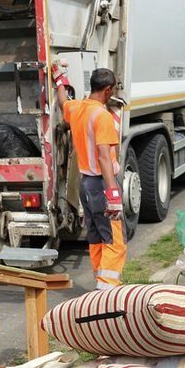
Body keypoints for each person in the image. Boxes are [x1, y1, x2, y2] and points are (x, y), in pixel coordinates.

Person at [53, 65, 126, 290]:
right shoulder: (102, 116)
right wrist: (113, 193)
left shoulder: (77, 109)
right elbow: (104, 158)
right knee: (114, 238)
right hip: (102, 182)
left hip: (86, 184)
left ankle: (100, 281)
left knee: (95, 234)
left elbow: (62, 101)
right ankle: (107, 288)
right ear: (107, 90)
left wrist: (59, 80)